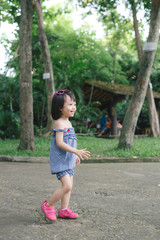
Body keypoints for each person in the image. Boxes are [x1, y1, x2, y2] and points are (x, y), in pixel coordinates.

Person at [41, 89, 90, 221]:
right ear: (60, 108)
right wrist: (76, 152)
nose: (73, 107)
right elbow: (60, 143)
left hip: (68, 159)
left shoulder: (69, 123)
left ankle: (64, 210)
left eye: (74, 104)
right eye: (70, 104)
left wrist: (74, 156)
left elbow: (70, 143)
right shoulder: (59, 123)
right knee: (66, 186)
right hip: (61, 160)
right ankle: (48, 205)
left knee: (69, 187)